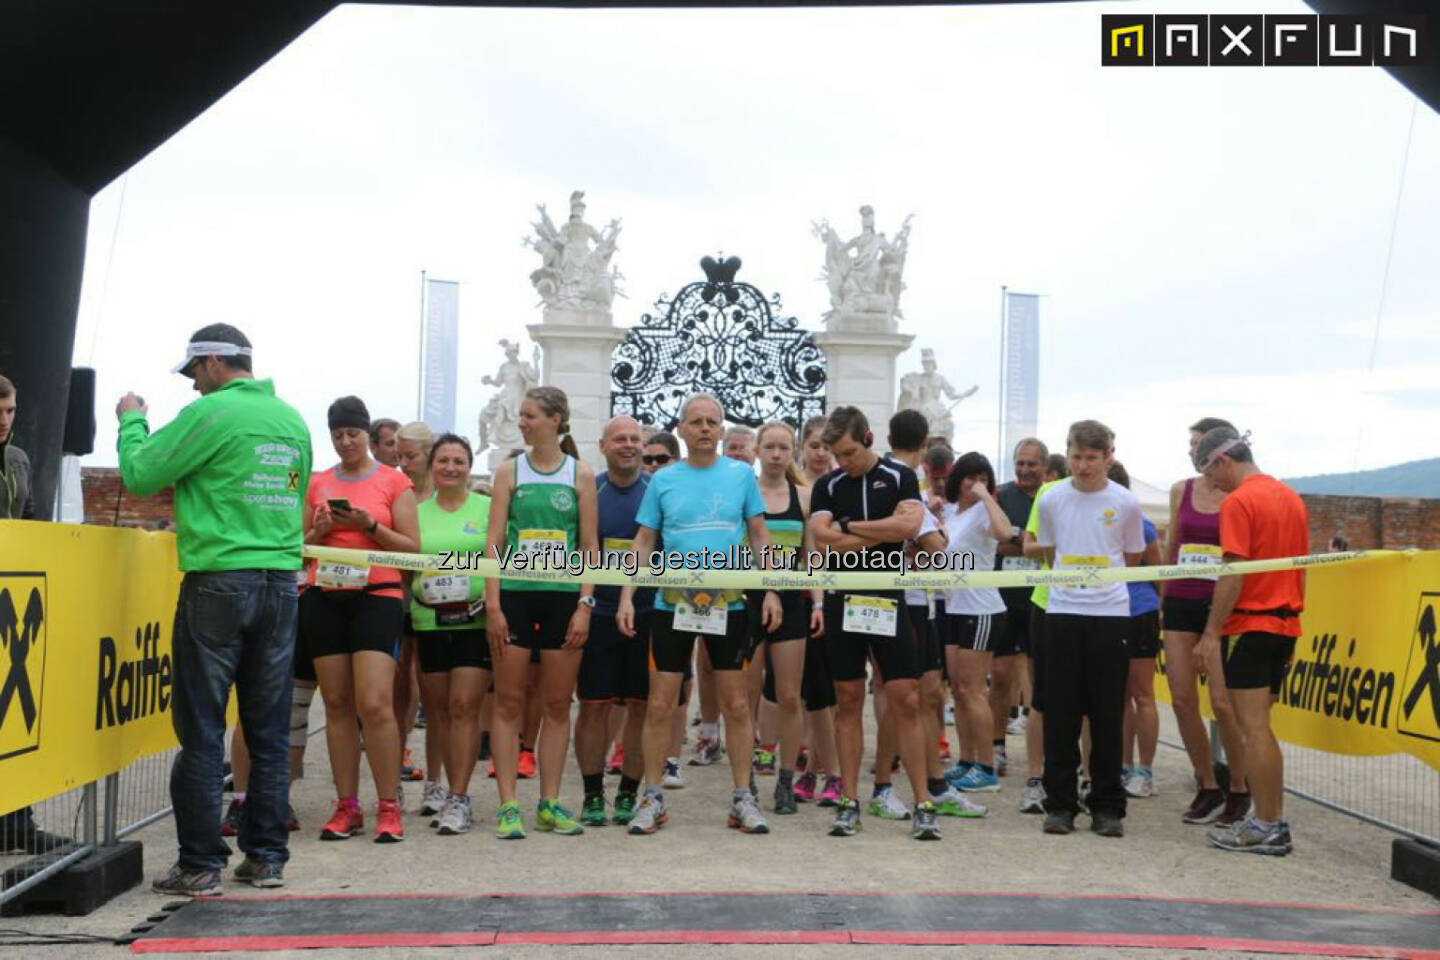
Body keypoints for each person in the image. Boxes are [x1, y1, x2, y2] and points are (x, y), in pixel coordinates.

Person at [116, 324, 311, 894]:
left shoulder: (212, 414)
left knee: (202, 730)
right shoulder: (291, 420)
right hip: (280, 583)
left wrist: (132, 420)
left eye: (194, 375)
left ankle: (201, 864)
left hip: (220, 580)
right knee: (269, 731)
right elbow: (295, 498)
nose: (193, 387)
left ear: (210, 363)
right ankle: (267, 858)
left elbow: (141, 473)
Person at [617, 393, 781, 836]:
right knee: (660, 703)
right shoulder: (664, 480)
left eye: (713, 422)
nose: (705, 428)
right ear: (682, 430)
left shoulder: (741, 475)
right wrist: (628, 595)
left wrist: (772, 591)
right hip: (673, 604)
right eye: (697, 422)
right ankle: (652, 798)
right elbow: (644, 541)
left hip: (727, 602)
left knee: (736, 703)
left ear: (723, 431)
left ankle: (744, 798)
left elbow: (760, 537)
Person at [808, 406, 940, 840]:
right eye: (836, 455)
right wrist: (879, 533)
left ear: (866, 437)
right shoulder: (827, 484)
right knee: (847, 701)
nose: (842, 462)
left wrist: (852, 526)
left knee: (906, 699)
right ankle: (849, 800)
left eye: (847, 452)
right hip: (842, 601)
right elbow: (824, 540)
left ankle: (923, 803)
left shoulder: (899, 476)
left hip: (888, 598)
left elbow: (910, 525)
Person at [484, 386, 599, 839]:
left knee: (556, 705)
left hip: (562, 599)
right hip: (515, 595)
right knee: (509, 703)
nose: (523, 422)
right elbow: (493, 542)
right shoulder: (509, 470)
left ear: (556, 419)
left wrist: (585, 604)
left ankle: (549, 802)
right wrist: (492, 604)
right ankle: (509, 805)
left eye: (531, 415)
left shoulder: (581, 474)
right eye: (522, 415)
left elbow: (591, 546)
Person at [303, 396, 418, 844]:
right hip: (325, 594)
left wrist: (370, 525)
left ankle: (388, 804)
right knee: (336, 704)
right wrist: (320, 530)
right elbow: (299, 545)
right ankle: (346, 805)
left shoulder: (395, 481)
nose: (345, 442)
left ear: (367, 435)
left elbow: (412, 548)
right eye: (337, 435)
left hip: (377, 594)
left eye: (352, 434)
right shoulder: (318, 482)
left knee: (374, 703)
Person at [1195, 428, 1308, 856]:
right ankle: (1268, 818)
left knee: (1253, 729)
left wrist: (1210, 633)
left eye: (1210, 474)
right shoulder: (1290, 497)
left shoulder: (1240, 500)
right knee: (1261, 728)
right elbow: (1301, 567)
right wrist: (1297, 618)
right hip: (1283, 621)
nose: (1212, 485)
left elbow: (1233, 570)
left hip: (1252, 623)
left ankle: (1268, 822)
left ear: (1223, 461)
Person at [1034, 420, 1144, 838]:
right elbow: (1047, 551)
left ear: (1108, 457)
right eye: (1077, 457)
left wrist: (1102, 584)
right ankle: (1059, 805)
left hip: (1110, 615)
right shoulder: (1051, 498)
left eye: (1092, 459)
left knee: (1107, 715)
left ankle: (1107, 806)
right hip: (1062, 612)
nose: (1082, 466)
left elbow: (1132, 556)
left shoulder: (1126, 502)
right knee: (1060, 713)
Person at [885, 412, 980, 821]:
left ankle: (923, 784)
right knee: (909, 698)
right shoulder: (901, 482)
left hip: (917, 598)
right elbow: (935, 547)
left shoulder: (894, 480)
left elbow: (932, 546)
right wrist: (931, 533)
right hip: (906, 599)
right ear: (923, 445)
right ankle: (904, 787)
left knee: (916, 698)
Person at [1163, 416, 1248, 826]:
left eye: (1200, 446)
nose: (1194, 454)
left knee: (1222, 702)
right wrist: (1161, 602)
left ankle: (1240, 788)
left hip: (1222, 606)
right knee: (1181, 699)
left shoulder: (1240, 492)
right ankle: (1207, 783)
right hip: (1180, 600)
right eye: (1190, 445)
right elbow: (1170, 548)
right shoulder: (1181, 490)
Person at [0, 374, 70, 857]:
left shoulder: (18, 460)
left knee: (16, 724)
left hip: (13, 610)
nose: (4, 423)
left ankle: (17, 821)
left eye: (9, 412)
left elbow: (33, 526)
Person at [410, 434, 490, 835]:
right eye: (443, 460)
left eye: (459, 461)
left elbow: (502, 559)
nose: (451, 468)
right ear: (432, 466)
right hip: (429, 621)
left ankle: (460, 797)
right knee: (439, 711)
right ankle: (434, 785)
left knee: (463, 707)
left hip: (474, 620)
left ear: (469, 467)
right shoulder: (416, 512)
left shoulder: (488, 509)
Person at [575, 416, 653, 827]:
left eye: (634, 439)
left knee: (641, 708)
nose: (628, 445)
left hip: (646, 613)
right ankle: (591, 794)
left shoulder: (657, 490)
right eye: (619, 439)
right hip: (598, 611)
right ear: (602, 445)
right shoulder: (591, 490)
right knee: (592, 708)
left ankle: (628, 793)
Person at [749, 421, 825, 814]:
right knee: (744, 699)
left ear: (792, 453)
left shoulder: (804, 496)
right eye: (770, 447)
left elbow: (812, 556)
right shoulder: (744, 492)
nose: (777, 455)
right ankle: (743, 781)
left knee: (790, 695)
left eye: (784, 448)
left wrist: (817, 604)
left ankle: (784, 780)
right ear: (758, 451)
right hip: (749, 602)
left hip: (793, 604)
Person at [941, 452, 1013, 798]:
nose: (974, 483)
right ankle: (967, 758)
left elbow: (1004, 535)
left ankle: (987, 766)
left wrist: (986, 496)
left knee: (973, 690)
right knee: (959, 690)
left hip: (981, 607)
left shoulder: (985, 510)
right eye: (969, 477)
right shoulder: (953, 514)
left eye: (982, 477)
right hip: (954, 606)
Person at [1107, 462, 1164, 800]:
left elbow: (1157, 569)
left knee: (1142, 694)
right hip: (1108, 613)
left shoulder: (1141, 524)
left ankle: (1145, 769)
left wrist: (1160, 609)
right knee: (1119, 695)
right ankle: (1124, 764)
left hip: (1138, 611)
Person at [992, 439, 1047, 770]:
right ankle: (997, 746)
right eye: (1020, 463)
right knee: (999, 675)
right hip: (1003, 597)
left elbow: (1051, 547)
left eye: (1032, 464)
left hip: (1042, 600)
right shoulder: (1002, 495)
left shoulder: (1051, 496)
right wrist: (1026, 544)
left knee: (1040, 679)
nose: (1025, 470)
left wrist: (1019, 543)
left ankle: (1041, 754)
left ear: (1044, 466)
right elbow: (997, 546)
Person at [394, 421, 436, 788]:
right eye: (399, 456)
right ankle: (400, 750)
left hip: (440, 596)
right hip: (401, 593)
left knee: (430, 678)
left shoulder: (445, 492)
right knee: (400, 676)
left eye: (411, 456)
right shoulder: (396, 490)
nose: (404, 463)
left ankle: (437, 774)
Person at [799, 416, 833, 486]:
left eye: (826, 448)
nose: (821, 453)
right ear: (802, 446)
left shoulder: (842, 485)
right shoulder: (789, 484)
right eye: (814, 447)